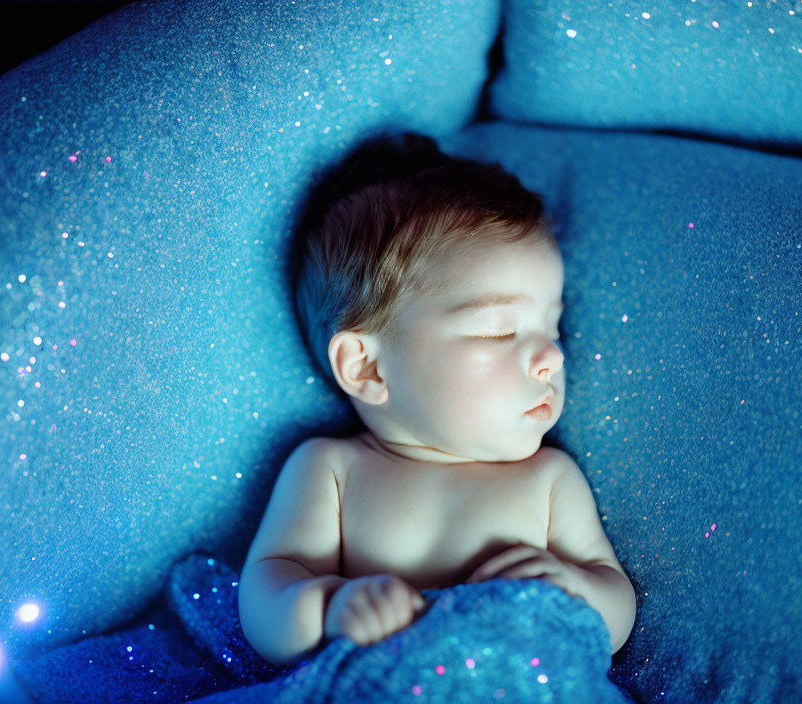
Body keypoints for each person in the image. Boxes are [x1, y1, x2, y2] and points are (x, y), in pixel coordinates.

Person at [237, 132, 636, 666]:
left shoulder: (549, 479)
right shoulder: (333, 470)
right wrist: (331, 606)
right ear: (368, 367)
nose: (553, 357)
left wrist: (576, 592)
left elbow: (615, 605)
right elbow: (265, 596)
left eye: (553, 326)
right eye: (499, 330)